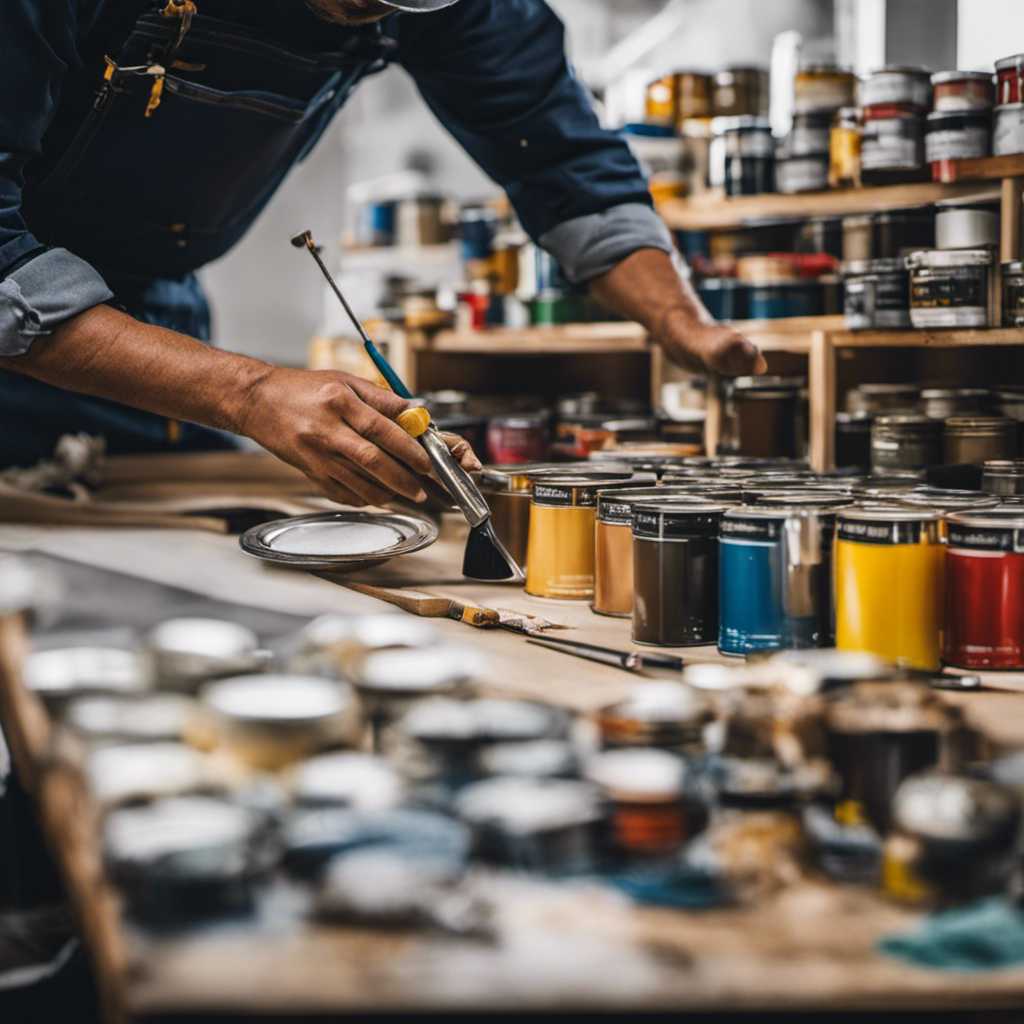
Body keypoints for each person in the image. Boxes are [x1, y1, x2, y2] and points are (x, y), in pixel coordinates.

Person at [0, 0, 765, 496]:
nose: (371, 9)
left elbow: (560, 158)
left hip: (151, 327)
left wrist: (682, 323)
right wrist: (247, 391)